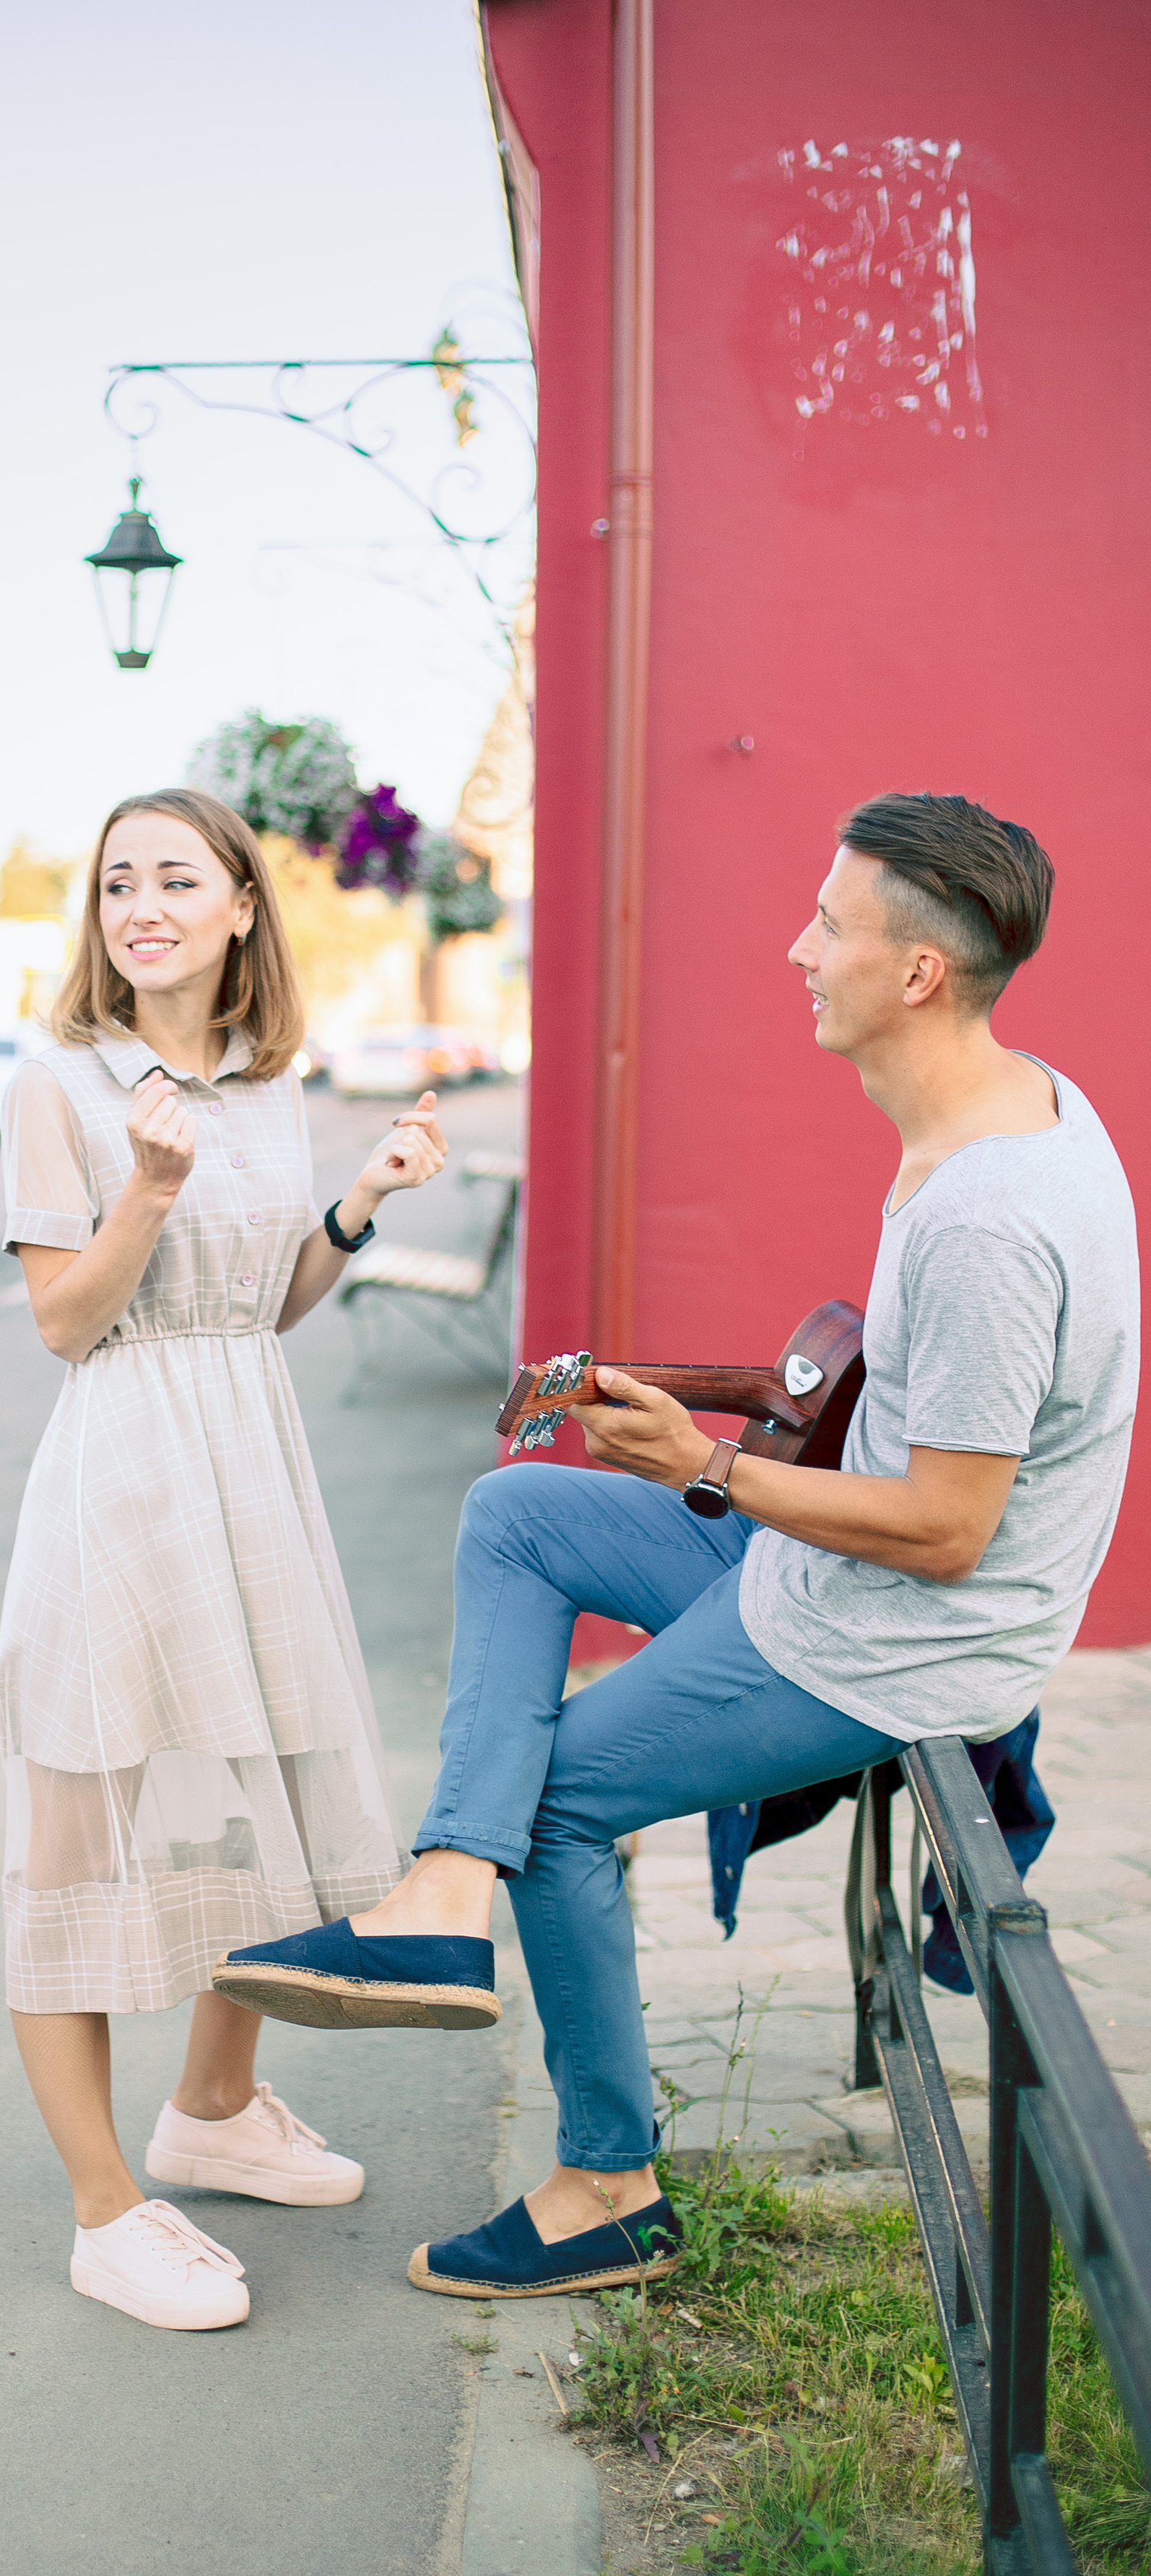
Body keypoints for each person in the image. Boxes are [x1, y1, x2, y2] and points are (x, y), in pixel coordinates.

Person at [217, 792, 1137, 2300]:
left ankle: (605, 2186)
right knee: (516, 1510)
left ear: (914, 973)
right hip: (822, 1572)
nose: (796, 947)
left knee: (561, 1796)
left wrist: (707, 1465)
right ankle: (444, 1898)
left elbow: (948, 1531)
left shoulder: (984, 1213)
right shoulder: (1002, 1103)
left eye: (827, 924)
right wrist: (709, 1426)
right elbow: (908, 1435)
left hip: (897, 1636)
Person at [0, 785, 448, 2332]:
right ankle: (102, 2208)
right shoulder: (59, 1077)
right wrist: (149, 1187)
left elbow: (262, 1306)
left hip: (251, 1466)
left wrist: (357, 1205)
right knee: (87, 1826)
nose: (142, 907)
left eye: (175, 881)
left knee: (241, 1799)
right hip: (120, 1481)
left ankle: (213, 2110)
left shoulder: (268, 1081)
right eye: (118, 882)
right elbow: (67, 1322)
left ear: (241, 907)